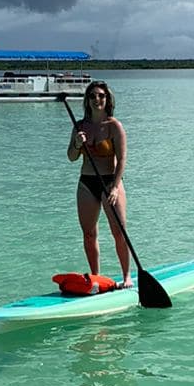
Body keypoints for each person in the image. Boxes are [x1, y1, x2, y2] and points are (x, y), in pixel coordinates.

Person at [66, 80, 131, 288]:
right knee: (89, 233)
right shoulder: (80, 126)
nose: (97, 99)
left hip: (110, 181)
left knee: (119, 233)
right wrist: (77, 144)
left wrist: (114, 186)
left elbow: (121, 160)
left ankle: (127, 276)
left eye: (101, 96)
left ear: (107, 99)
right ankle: (96, 278)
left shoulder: (114, 126)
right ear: (87, 100)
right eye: (92, 96)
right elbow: (71, 157)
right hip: (86, 182)